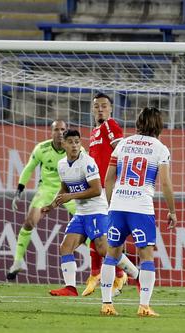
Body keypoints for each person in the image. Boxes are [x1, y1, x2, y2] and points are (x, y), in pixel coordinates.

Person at [41, 129, 138, 296]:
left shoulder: (87, 162)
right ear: (64, 144)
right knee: (65, 247)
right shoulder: (62, 165)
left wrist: (70, 196)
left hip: (97, 211)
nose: (74, 145)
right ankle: (70, 288)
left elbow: (95, 190)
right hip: (81, 213)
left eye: (77, 142)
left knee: (104, 251)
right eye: (70, 142)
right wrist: (52, 205)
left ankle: (137, 275)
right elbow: (65, 188)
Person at [99, 107, 177, 317]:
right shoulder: (160, 148)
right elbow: (166, 183)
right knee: (147, 256)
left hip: (117, 205)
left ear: (139, 123)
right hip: (141, 208)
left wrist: (109, 205)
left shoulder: (123, 144)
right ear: (158, 125)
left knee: (112, 254)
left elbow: (108, 179)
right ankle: (143, 306)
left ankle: (106, 304)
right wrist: (172, 211)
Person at [7, 120, 77, 279]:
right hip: (46, 190)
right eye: (56, 129)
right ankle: (17, 261)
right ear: (51, 132)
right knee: (29, 222)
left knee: (87, 224)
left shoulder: (75, 148)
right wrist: (19, 189)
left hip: (68, 190)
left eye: (63, 129)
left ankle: (100, 267)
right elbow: (29, 168)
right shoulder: (42, 149)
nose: (60, 132)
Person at [82, 92, 128, 297]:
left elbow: (121, 152)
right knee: (96, 230)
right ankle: (97, 273)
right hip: (96, 189)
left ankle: (119, 274)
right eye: (96, 106)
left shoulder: (110, 126)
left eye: (104, 106)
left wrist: (116, 184)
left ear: (110, 109)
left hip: (108, 189)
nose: (100, 109)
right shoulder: (95, 131)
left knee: (105, 233)